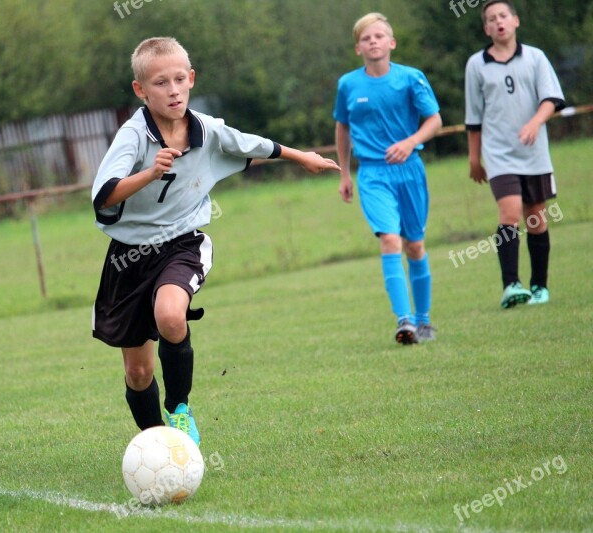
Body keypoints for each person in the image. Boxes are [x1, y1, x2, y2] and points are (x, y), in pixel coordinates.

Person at [91, 37, 340, 445]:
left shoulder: (207, 129)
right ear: (140, 90)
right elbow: (104, 195)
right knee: (138, 373)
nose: (172, 90)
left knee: (171, 316)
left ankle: (181, 410)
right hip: (129, 257)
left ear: (190, 79)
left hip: (182, 243)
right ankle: (159, 444)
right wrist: (148, 174)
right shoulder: (133, 136)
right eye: (159, 83)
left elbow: (254, 143)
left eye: (178, 80)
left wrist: (302, 157)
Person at [333, 13, 443, 344]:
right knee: (390, 240)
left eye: (379, 36)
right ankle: (404, 321)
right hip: (373, 174)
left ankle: (424, 321)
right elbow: (342, 127)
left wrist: (410, 142)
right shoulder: (348, 85)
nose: (373, 42)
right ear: (358, 48)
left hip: (410, 171)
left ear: (391, 43)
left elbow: (434, 119)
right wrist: (344, 172)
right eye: (366, 38)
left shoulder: (411, 78)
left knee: (415, 245)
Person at [464, 0, 565, 309]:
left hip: (534, 153)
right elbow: (474, 116)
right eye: (492, 19)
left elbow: (551, 98)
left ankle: (539, 286)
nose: (499, 22)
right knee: (509, 213)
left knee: (535, 217)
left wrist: (535, 122)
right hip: (499, 155)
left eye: (503, 16)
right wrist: (474, 158)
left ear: (515, 21)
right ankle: (511, 285)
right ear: (486, 28)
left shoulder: (535, 58)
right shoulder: (476, 64)